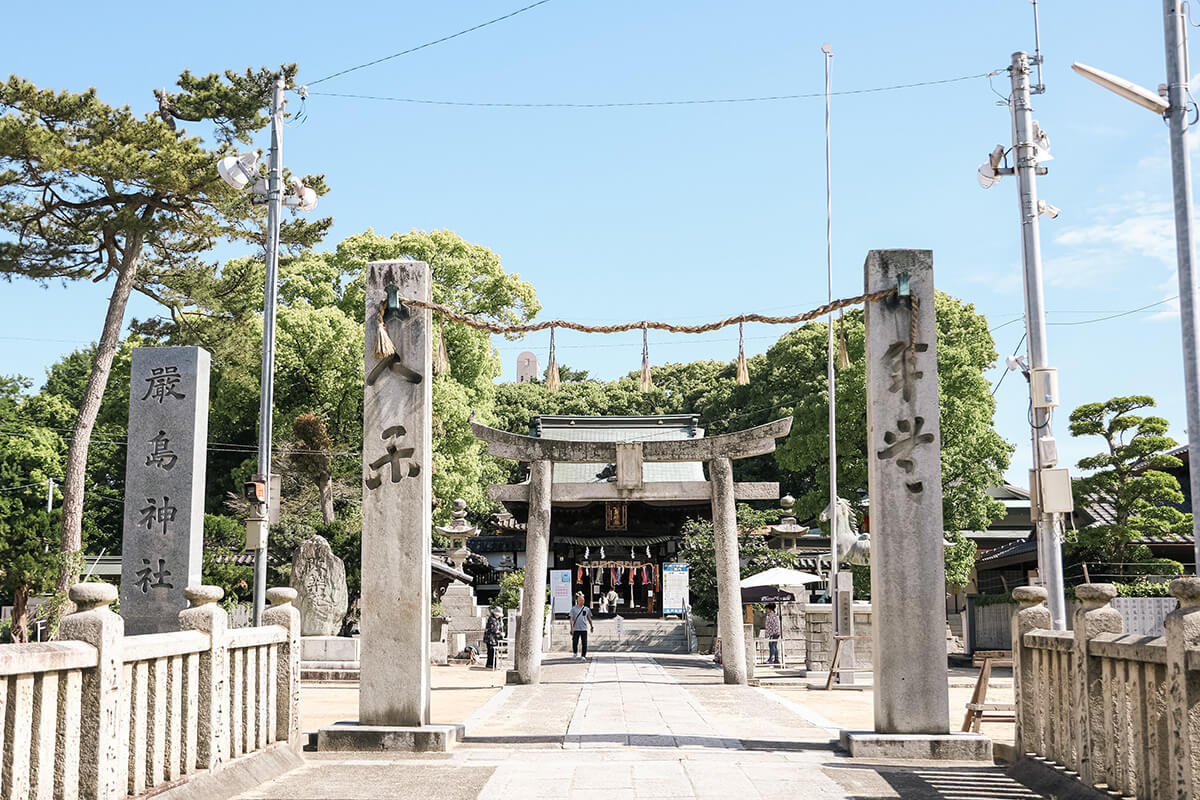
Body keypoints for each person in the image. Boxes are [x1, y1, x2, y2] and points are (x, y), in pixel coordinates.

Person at [569, 591, 594, 659]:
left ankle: (583, 655)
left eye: (583, 600)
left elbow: (589, 618)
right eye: (580, 600)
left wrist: (591, 626)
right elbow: (571, 619)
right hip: (576, 628)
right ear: (577, 601)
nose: (581, 601)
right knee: (575, 642)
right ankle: (575, 653)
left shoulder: (587, 609)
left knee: (584, 643)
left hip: (584, 628)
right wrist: (571, 628)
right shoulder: (573, 609)